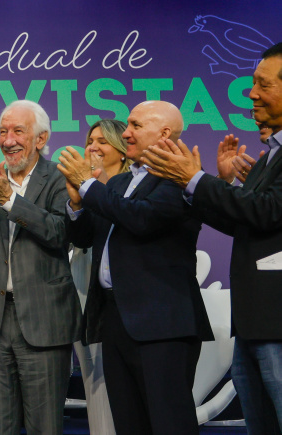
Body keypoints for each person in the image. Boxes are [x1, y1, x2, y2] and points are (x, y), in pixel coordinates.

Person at [141, 42, 282, 434]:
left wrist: (195, 179)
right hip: (254, 323)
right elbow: (245, 223)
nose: (250, 93)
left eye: (262, 84)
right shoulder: (270, 155)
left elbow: (267, 211)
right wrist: (206, 185)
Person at [58, 100, 213, 435]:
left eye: (134, 126)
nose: (125, 133)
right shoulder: (116, 184)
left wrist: (88, 186)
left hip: (162, 323)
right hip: (115, 319)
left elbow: (143, 219)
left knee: (169, 423)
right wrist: (76, 201)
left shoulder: (178, 177)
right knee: (129, 424)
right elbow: (85, 237)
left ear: (164, 132)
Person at [0, 99, 81, 435]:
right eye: (3, 131)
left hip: (44, 322)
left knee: (44, 427)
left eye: (18, 131)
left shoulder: (58, 178)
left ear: (40, 139)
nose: (8, 140)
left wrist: (9, 201)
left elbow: (60, 234)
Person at [69, 119, 130, 435]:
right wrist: (75, 205)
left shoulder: (133, 187)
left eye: (102, 141)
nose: (93, 146)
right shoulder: (80, 187)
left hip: (124, 305)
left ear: (121, 151)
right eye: (90, 140)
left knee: (124, 395)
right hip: (84, 294)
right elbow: (79, 238)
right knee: (96, 389)